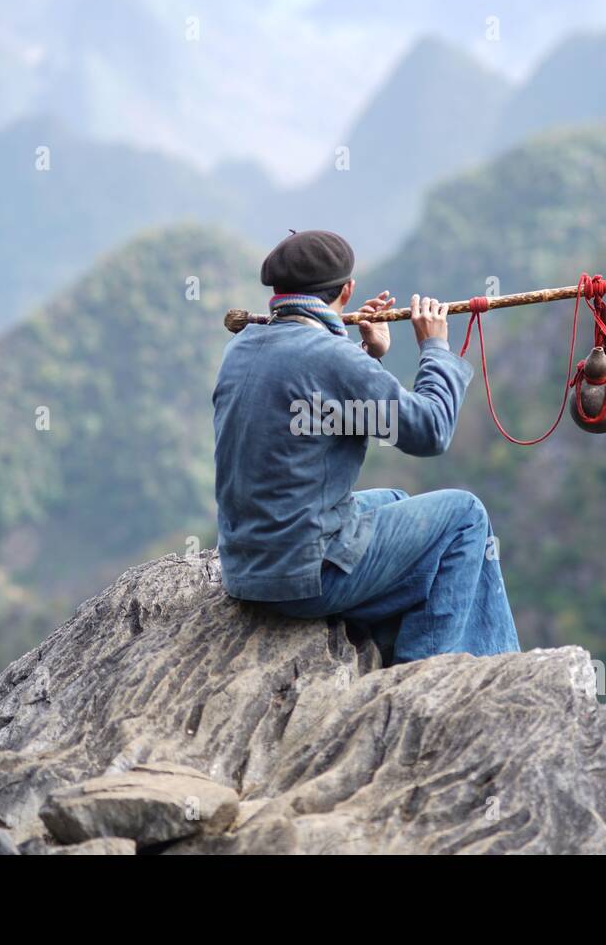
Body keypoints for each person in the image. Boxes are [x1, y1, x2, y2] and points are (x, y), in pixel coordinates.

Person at [211, 229, 520, 663]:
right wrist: (434, 348)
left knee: (394, 500)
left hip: (250, 569)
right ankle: (431, 668)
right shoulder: (332, 359)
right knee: (465, 516)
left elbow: (313, 399)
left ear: (276, 293)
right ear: (348, 289)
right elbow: (430, 431)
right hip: (303, 579)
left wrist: (363, 355)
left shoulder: (241, 347)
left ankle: (408, 644)